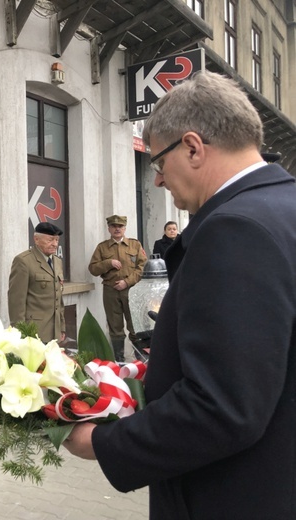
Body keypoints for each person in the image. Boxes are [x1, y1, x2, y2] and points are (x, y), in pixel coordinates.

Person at [64, 71, 296, 519]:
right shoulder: (280, 207)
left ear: (192, 147)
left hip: (234, 494)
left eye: (157, 163)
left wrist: (101, 443)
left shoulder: (235, 229)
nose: (156, 181)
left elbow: (223, 406)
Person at [88, 215, 146, 362]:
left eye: (120, 226)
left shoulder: (135, 245)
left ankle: (140, 361)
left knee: (135, 327)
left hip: (131, 291)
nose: (117, 229)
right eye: (114, 226)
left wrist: (127, 282)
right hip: (110, 291)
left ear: (125, 228)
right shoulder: (102, 247)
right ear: (109, 228)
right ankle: (119, 361)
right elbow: (93, 269)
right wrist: (108, 263)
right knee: (115, 329)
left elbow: (142, 267)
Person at [8, 222, 66, 343]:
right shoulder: (24, 261)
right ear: (36, 239)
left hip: (54, 331)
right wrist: (19, 331)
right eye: (50, 240)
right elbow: (16, 300)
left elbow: (58, 299)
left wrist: (62, 327)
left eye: (56, 240)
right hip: (34, 331)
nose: (55, 244)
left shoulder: (57, 262)